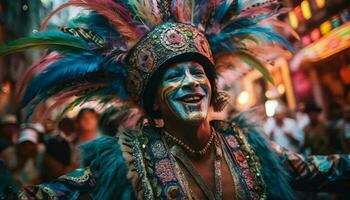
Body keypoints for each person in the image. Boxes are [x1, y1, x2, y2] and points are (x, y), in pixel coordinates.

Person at [1, 0, 350, 199]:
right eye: (173, 76)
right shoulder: (124, 164)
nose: (191, 83)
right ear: (153, 100)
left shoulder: (249, 145)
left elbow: (324, 171)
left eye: (198, 73)